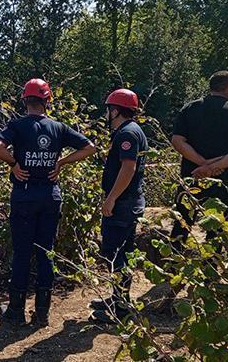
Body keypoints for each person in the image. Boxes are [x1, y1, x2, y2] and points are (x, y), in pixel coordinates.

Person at [0, 79, 96, 327]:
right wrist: (61, 162)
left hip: (24, 195)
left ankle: (15, 312)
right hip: (50, 195)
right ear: (47, 101)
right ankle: (43, 312)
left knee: (22, 253)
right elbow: (90, 148)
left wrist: (14, 164)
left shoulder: (16, 126)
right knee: (46, 252)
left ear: (25, 101)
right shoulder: (58, 128)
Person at [171, 71, 228, 246]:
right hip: (223, 179)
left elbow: (177, 141)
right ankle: (212, 265)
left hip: (191, 175)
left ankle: (173, 264)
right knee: (217, 224)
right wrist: (212, 167)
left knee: (182, 220)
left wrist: (201, 164)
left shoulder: (190, 108)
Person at [90, 89, 148, 324]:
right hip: (128, 202)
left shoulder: (127, 134)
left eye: (108, 110)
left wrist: (111, 198)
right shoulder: (131, 131)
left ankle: (120, 309)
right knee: (119, 253)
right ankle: (117, 299)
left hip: (123, 205)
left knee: (117, 255)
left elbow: (128, 168)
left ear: (115, 111)